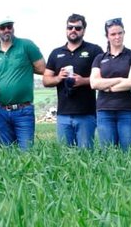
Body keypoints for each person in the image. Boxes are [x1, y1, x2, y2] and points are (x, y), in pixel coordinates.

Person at [0, 15, 45, 149]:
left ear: (13, 27)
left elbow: (42, 68)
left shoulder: (26, 45)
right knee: (7, 154)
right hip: (1, 111)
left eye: (9, 26)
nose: (6, 30)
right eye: (2, 27)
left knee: (26, 153)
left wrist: (25, 69)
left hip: (23, 110)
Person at [43, 13, 102, 149]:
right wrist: (58, 78)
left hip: (86, 114)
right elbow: (46, 80)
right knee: (64, 157)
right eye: (70, 28)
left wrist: (83, 81)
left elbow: (102, 77)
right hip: (63, 114)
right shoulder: (56, 53)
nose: (73, 31)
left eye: (77, 28)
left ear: (84, 30)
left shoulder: (94, 50)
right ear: (66, 29)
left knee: (86, 155)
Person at [90, 18, 131, 148]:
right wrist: (119, 80)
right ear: (107, 36)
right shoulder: (100, 58)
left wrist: (109, 88)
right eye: (113, 34)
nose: (117, 37)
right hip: (104, 111)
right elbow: (94, 83)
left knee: (129, 153)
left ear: (124, 33)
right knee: (107, 153)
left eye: (120, 33)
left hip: (128, 110)